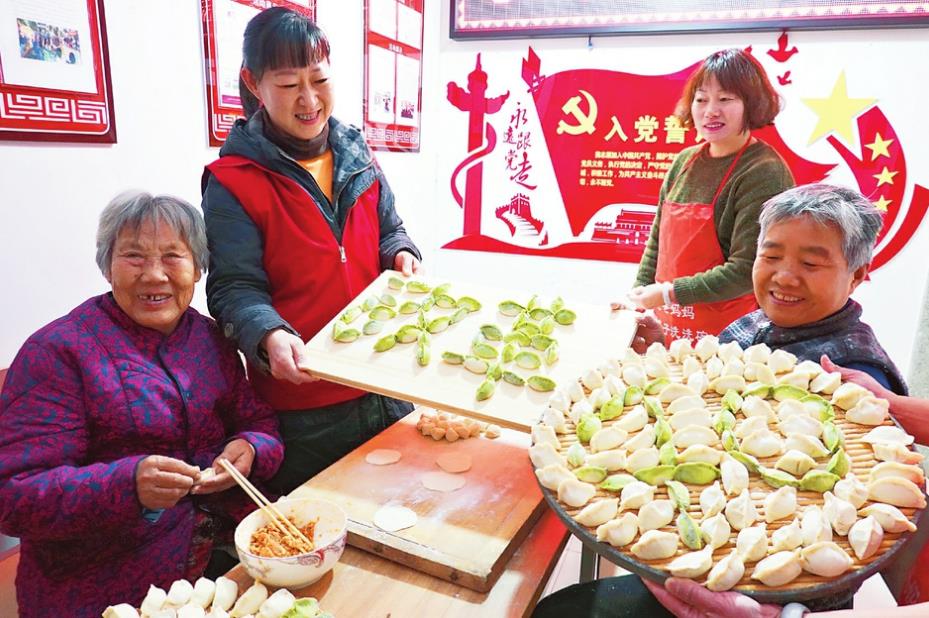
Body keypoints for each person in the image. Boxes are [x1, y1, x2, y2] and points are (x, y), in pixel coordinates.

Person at [0, 192, 284, 618]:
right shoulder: (58, 352)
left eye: (173, 256)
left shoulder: (210, 339)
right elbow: (13, 497)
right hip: (109, 585)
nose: (154, 275)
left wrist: (250, 449)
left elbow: (259, 423)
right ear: (107, 265)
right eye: (134, 256)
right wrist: (127, 483)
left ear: (199, 267)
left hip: (223, 567)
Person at [201, 7, 421, 495]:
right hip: (305, 409)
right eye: (288, 84)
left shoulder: (357, 153)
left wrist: (402, 253)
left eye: (319, 79)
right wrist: (269, 335)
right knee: (321, 539)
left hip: (384, 385)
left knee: (404, 518)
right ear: (253, 84)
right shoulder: (233, 180)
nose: (309, 99)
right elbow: (234, 288)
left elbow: (390, 231)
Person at [625, 48, 795, 343]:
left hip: (732, 334)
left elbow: (747, 270)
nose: (710, 111)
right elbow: (656, 244)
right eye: (701, 99)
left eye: (725, 99)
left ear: (751, 104)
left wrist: (666, 293)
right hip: (669, 323)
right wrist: (638, 299)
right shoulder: (684, 161)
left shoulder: (763, 171)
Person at [718, 183, 906, 395]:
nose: (784, 278)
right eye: (771, 257)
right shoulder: (749, 324)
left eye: (810, 263)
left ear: (856, 275)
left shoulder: (852, 375)